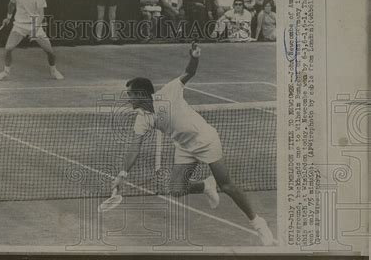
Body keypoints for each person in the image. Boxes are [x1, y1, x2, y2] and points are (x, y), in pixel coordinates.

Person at [111, 42, 275, 246]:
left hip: (205, 140)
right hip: (184, 146)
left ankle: (259, 224)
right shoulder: (141, 117)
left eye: (130, 94)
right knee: (176, 188)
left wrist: (195, 57)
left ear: (142, 94)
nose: (128, 99)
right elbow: (135, 146)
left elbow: (188, 72)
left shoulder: (169, 92)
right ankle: (205, 185)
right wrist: (122, 174)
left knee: (227, 185)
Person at [0, 0, 64, 81]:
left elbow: (41, 15)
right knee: (8, 49)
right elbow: (11, 4)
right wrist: (8, 17)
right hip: (19, 25)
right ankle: (5, 72)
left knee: (50, 52)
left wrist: (35, 29)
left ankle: (54, 70)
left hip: (35, 24)